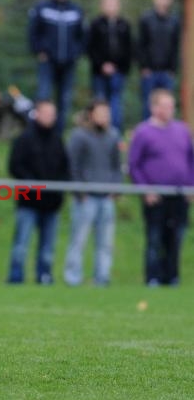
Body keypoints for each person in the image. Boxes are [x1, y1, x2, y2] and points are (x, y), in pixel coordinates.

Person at [129, 89, 194, 286]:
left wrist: (191, 186)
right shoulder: (143, 132)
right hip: (155, 196)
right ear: (154, 107)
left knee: (176, 238)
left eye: (171, 106)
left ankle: (172, 277)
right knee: (155, 238)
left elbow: (191, 161)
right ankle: (153, 278)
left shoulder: (182, 130)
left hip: (179, 195)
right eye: (164, 105)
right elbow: (134, 165)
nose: (169, 110)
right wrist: (145, 189)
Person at [7, 100, 69, 284]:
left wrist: (57, 188)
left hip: (52, 203)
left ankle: (44, 276)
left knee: (48, 247)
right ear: (37, 114)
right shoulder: (24, 138)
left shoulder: (58, 139)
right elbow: (15, 166)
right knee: (21, 244)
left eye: (53, 114)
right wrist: (33, 185)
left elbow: (65, 167)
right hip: (29, 202)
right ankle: (16, 278)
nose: (50, 117)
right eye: (46, 113)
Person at [64, 100, 122, 286]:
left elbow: (117, 166)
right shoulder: (79, 136)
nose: (105, 117)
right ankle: (73, 278)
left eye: (107, 113)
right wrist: (80, 191)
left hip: (106, 197)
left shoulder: (113, 135)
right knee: (78, 240)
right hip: (86, 198)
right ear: (91, 114)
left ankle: (102, 277)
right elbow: (72, 166)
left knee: (106, 243)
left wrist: (116, 188)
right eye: (101, 113)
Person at [28, 0, 85, 134]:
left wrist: (76, 53)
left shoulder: (76, 10)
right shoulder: (42, 7)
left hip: (68, 63)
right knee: (43, 96)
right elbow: (33, 32)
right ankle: (38, 133)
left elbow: (83, 35)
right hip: (47, 62)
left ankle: (57, 135)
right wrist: (39, 51)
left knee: (64, 101)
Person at [87, 0, 132, 134]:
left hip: (118, 72)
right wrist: (102, 65)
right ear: (102, 6)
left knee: (116, 104)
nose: (111, 7)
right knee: (99, 102)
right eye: (108, 3)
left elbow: (129, 49)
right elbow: (90, 48)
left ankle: (115, 134)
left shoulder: (124, 25)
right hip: (99, 72)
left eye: (114, 3)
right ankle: (98, 131)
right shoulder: (95, 24)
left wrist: (119, 67)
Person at [138, 0, 180, 119]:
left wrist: (173, 69)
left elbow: (175, 46)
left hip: (167, 71)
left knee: (167, 105)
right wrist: (144, 66)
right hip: (150, 71)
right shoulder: (146, 19)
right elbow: (141, 45)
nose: (163, 0)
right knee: (148, 106)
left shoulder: (174, 21)